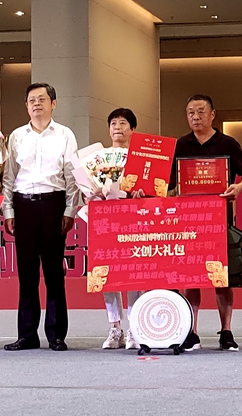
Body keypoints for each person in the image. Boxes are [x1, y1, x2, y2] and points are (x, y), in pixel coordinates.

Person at [170, 94, 242, 352]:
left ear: (212, 114)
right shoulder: (180, 145)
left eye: (200, 112)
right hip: (188, 221)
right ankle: (192, 331)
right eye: (190, 112)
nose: (195, 117)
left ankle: (226, 331)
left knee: (223, 277)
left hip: (220, 220)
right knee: (192, 277)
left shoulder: (227, 143)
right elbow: (168, 184)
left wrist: (238, 187)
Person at [1, 83, 80, 352]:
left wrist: (70, 210)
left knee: (54, 273)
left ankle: (56, 334)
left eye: (42, 99)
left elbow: (72, 177)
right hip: (23, 206)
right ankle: (27, 334)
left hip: (52, 204)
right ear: (26, 106)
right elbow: (8, 176)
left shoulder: (65, 135)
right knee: (26, 274)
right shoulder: (17, 136)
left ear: (53, 104)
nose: (36, 104)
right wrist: (8, 211)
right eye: (31, 100)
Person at [100, 108, 143, 350]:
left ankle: (134, 329)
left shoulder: (140, 159)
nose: (117, 127)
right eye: (113, 122)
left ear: (132, 129)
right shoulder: (99, 158)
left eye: (123, 123)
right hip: (106, 220)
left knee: (134, 273)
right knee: (107, 275)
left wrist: (140, 192)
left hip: (133, 219)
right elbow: (88, 188)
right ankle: (114, 327)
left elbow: (151, 188)